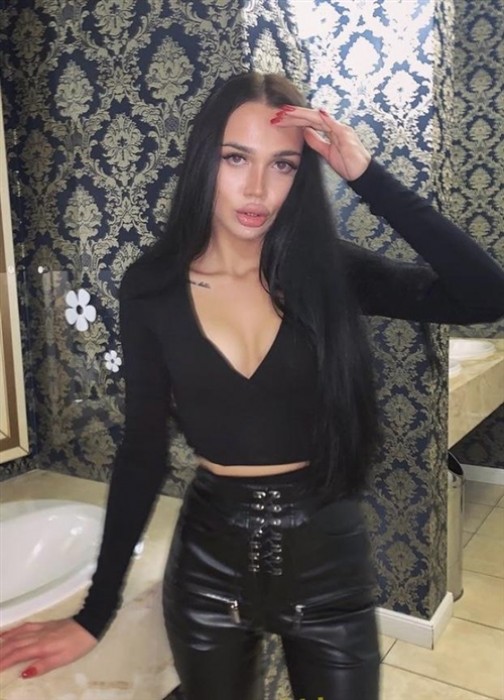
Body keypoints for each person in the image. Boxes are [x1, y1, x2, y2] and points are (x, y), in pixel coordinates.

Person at [1, 71, 504, 700]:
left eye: (283, 165)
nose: (258, 188)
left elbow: (487, 294)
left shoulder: (329, 270)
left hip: (330, 566)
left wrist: (365, 174)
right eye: (236, 158)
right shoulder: (152, 286)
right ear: (204, 159)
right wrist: (92, 615)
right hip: (209, 569)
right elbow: (142, 451)